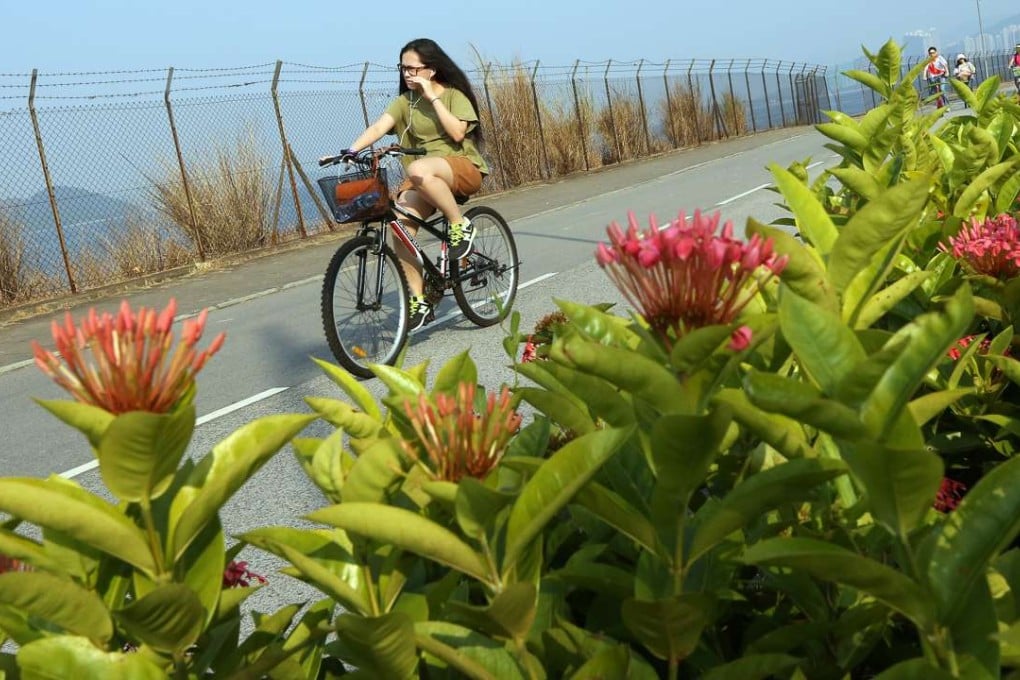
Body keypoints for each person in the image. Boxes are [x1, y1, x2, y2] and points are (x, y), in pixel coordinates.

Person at [330, 38, 489, 330]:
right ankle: (418, 299)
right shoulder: (405, 103)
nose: (407, 74)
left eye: (413, 69)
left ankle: (459, 225)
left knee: (417, 168)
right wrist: (351, 151)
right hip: (422, 179)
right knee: (400, 224)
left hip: (461, 168)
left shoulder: (453, 95)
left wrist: (433, 97)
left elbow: (456, 133)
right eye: (403, 69)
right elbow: (379, 127)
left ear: (431, 69)